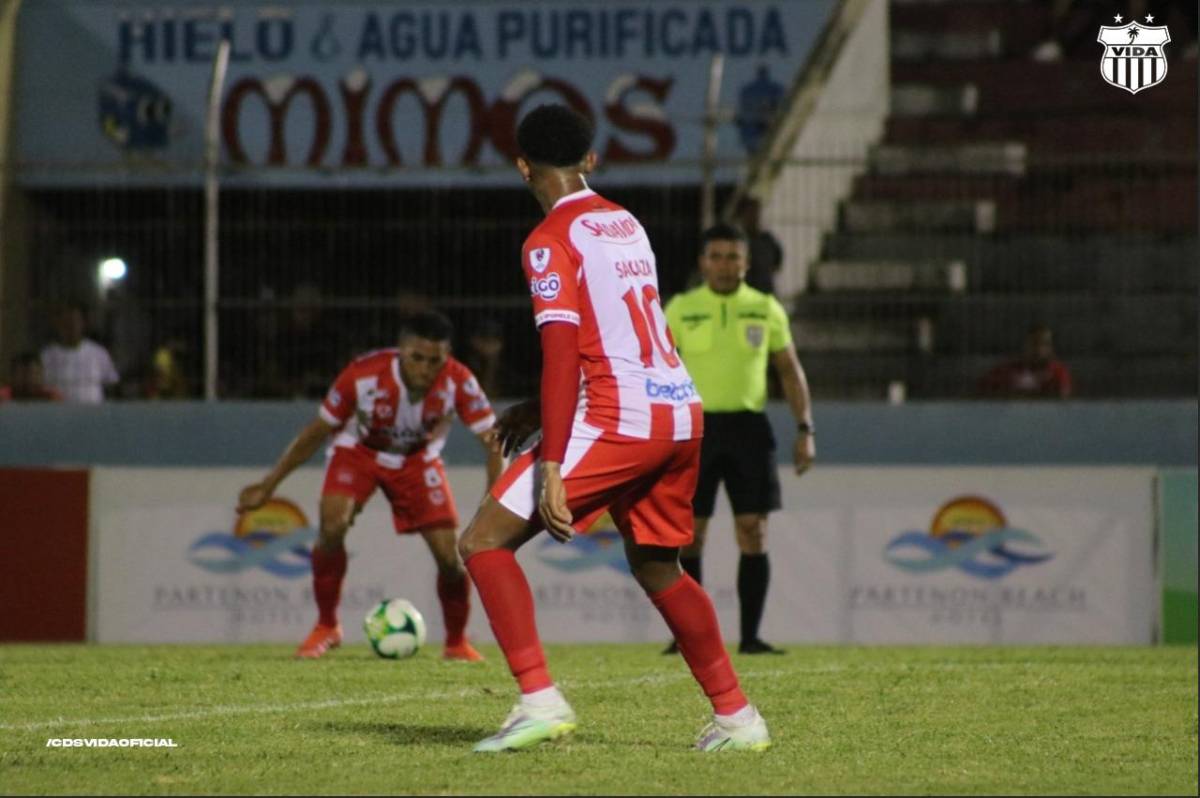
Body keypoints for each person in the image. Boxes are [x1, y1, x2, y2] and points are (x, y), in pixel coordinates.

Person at [457, 103, 771, 754]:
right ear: (590, 161)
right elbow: (621, 329)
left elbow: (565, 350)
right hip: (680, 411)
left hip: (618, 417)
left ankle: (539, 700)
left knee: (484, 542)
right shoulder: (625, 221)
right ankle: (739, 719)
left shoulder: (547, 241)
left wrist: (551, 465)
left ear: (523, 167)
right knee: (659, 567)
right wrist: (535, 417)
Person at [237, 311, 504, 661]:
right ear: (401, 352)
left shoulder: (459, 381)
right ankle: (326, 626)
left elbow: (495, 443)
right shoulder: (363, 375)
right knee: (332, 525)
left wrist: (494, 503)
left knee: (450, 558)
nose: (425, 368)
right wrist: (269, 484)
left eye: (435, 360)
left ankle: (456, 643)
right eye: (417, 358)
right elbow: (316, 431)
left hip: (417, 459)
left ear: (447, 355)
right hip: (359, 451)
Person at [663, 222, 816, 657]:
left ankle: (750, 638)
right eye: (717, 256)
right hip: (695, 431)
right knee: (690, 535)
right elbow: (657, 368)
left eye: (733, 256)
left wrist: (806, 428)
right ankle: (688, 636)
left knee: (754, 531)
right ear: (703, 263)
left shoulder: (766, 308)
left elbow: (790, 371)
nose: (725, 265)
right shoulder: (681, 308)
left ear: (746, 262)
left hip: (749, 429)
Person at [40, 303, 120, 403]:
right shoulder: (46, 356)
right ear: (58, 324)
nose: (71, 326)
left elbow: (111, 384)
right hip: (58, 415)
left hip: (94, 414)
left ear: (83, 323)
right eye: (66, 322)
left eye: (75, 321)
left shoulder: (99, 353)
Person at [977, 324, 1073, 399]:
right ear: (1025, 345)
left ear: (1051, 348)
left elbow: (1062, 400)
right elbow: (982, 392)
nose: (1039, 348)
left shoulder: (1058, 372)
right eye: (1034, 343)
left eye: (1045, 344)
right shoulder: (1007, 370)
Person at [734, 197, 784, 297]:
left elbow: (777, 261)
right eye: (750, 213)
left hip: (764, 292)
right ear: (742, 216)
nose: (754, 217)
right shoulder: (735, 241)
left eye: (756, 212)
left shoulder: (767, 240)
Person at [460, 317, 506, 399]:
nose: (490, 346)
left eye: (494, 340)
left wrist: (492, 363)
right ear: (473, 340)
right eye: (486, 340)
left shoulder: (506, 372)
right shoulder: (463, 368)